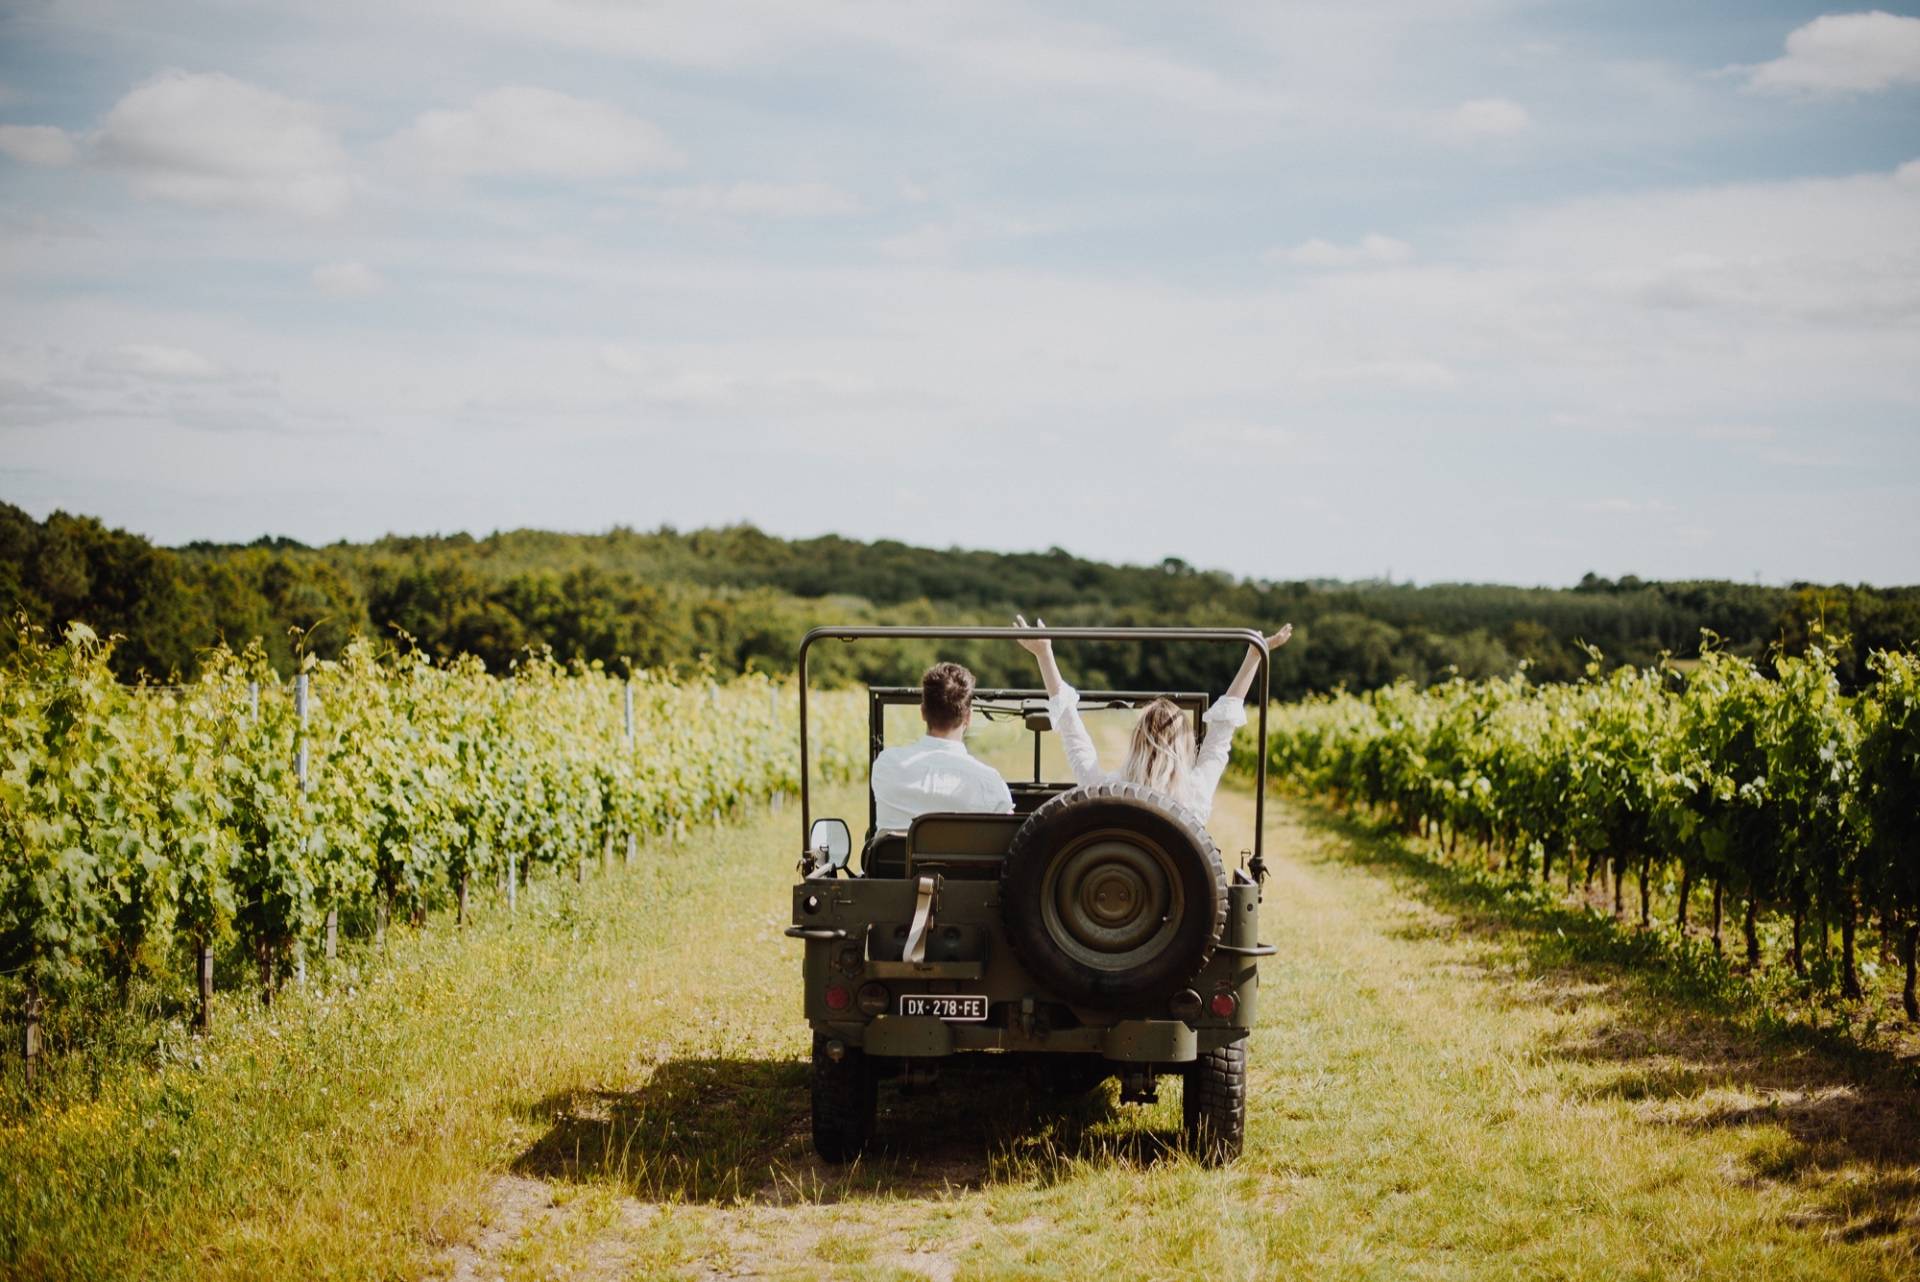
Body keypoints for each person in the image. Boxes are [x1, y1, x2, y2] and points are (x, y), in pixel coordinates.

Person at [1013, 616, 1292, 823]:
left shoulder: (1107, 789)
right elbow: (1221, 732)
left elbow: (1073, 734)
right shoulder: (1195, 792)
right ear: (1184, 745)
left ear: (1137, 741)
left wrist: (1045, 655)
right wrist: (1253, 657)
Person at [870, 660, 1014, 830]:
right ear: (968, 717)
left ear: (923, 712)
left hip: (896, 858)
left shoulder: (886, 765)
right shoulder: (990, 783)